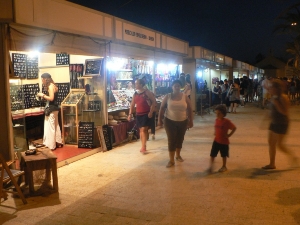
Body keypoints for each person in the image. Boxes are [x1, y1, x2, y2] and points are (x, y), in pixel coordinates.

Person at [262, 79, 298, 169]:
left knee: (280, 145)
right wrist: (267, 117)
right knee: (271, 143)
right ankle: (272, 164)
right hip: (274, 122)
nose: (269, 89)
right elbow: (272, 110)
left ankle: (293, 157)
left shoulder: (283, 97)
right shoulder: (274, 97)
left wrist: (277, 103)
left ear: (276, 88)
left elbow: (285, 112)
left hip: (282, 123)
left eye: (271, 87)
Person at [158, 80, 193, 168]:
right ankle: (171, 160)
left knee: (180, 139)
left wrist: (191, 120)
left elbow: (190, 109)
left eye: (178, 86)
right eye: (175, 86)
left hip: (183, 121)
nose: (177, 87)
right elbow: (161, 108)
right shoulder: (168, 96)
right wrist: (159, 120)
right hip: (169, 121)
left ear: (180, 87)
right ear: (172, 87)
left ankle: (178, 155)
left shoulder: (185, 97)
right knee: (171, 140)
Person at [128, 79, 156, 154]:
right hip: (138, 114)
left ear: (141, 84)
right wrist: (130, 114)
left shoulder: (147, 92)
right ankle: (143, 145)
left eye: (137, 83)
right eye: (135, 83)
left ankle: (143, 146)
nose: (135, 85)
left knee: (143, 129)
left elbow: (154, 101)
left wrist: (151, 111)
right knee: (141, 130)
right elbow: (132, 104)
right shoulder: (135, 94)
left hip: (146, 113)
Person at [36, 73, 62, 150]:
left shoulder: (50, 86)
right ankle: (58, 142)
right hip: (55, 109)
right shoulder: (54, 86)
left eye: (42, 79)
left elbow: (51, 98)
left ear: (45, 79)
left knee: (50, 127)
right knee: (56, 126)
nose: (42, 81)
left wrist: (42, 95)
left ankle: (51, 145)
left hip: (51, 109)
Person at [207, 104, 236, 173]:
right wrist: (215, 132)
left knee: (224, 155)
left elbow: (234, 128)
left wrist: (229, 135)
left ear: (223, 114)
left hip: (224, 142)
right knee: (212, 154)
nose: (217, 115)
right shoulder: (216, 120)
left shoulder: (227, 121)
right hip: (216, 140)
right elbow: (216, 127)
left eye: (219, 113)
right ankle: (211, 166)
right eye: (216, 113)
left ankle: (224, 166)